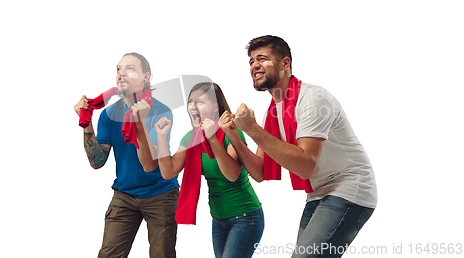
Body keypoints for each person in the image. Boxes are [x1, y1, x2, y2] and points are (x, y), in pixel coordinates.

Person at [227, 36, 377, 258]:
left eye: (262, 59)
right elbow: (259, 171)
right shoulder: (274, 111)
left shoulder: (312, 98)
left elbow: (306, 165)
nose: (254, 65)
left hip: (350, 187)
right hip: (318, 193)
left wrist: (253, 129)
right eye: (251, 61)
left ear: (285, 63)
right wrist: (235, 135)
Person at [73, 52, 179, 258]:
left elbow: (150, 164)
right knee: (108, 255)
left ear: (145, 77)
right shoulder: (108, 114)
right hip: (125, 194)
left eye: (130, 68)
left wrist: (138, 122)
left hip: (160, 193)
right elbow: (98, 161)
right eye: (119, 69)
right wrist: (86, 124)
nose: (121, 73)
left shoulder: (160, 111)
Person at [140, 82, 264, 258]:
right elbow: (168, 172)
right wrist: (161, 138)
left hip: (245, 216)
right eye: (190, 101)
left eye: (199, 101)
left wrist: (212, 138)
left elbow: (232, 174)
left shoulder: (230, 131)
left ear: (215, 107)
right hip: (218, 220)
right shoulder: (191, 138)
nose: (193, 106)